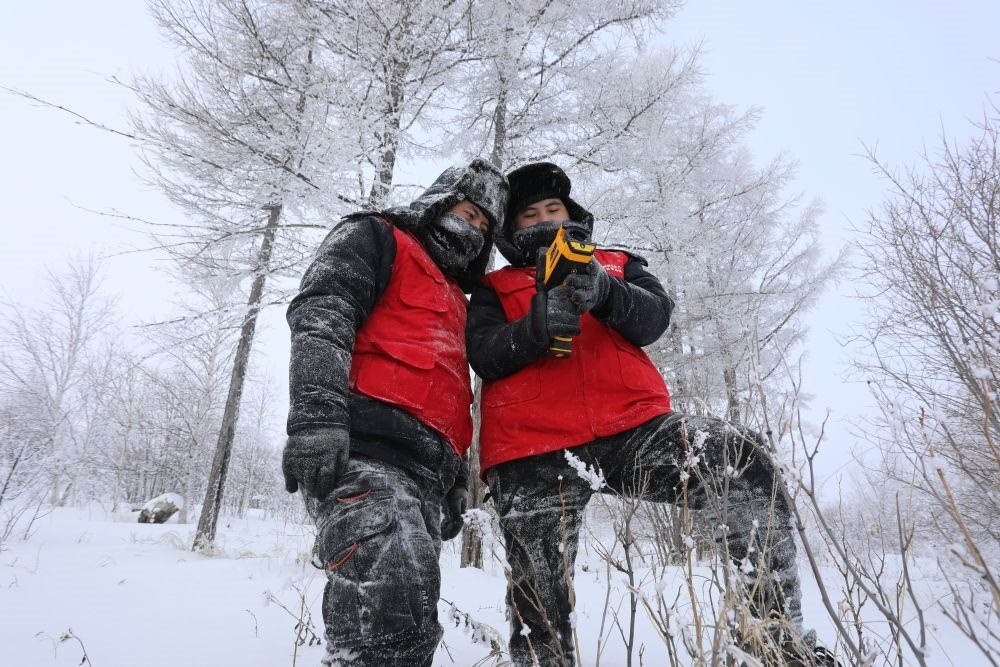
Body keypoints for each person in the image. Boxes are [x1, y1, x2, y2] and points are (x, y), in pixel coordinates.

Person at [466, 162, 838, 666]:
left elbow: (655, 320)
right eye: (529, 215)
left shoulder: (617, 263)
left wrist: (605, 292)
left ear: (572, 213)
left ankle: (773, 639)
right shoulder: (493, 288)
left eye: (553, 208)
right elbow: (484, 354)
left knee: (739, 458)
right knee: (539, 594)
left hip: (635, 428)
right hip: (533, 445)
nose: (544, 220)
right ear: (512, 229)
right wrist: (536, 326)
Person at [282, 158, 508, 667]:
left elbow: (449, 392)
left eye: (483, 224)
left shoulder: (461, 300)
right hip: (363, 453)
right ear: (440, 201)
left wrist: (455, 480)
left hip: (427, 478)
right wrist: (315, 418)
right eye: (467, 211)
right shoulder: (377, 236)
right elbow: (323, 311)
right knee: (393, 613)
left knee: (405, 619)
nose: (472, 228)